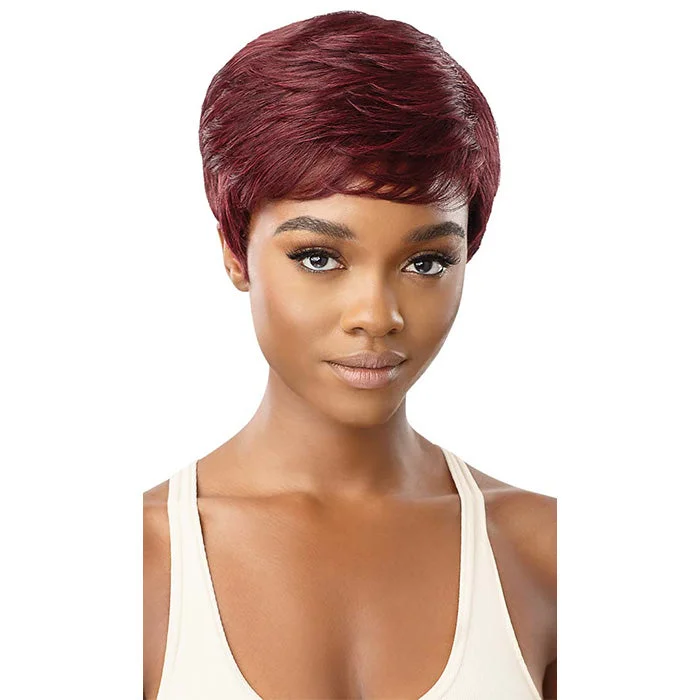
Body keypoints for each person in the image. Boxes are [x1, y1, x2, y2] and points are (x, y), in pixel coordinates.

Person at [143, 10, 557, 700]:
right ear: (235, 251)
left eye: (426, 262)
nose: (377, 315)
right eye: (319, 256)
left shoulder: (547, 554)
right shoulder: (139, 567)